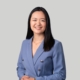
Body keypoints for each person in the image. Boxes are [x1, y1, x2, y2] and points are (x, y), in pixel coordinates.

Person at [16, 6, 66, 80]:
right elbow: (20, 67)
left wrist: (36, 79)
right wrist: (22, 77)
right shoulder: (25, 43)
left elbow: (60, 75)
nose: (38, 23)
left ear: (47, 23)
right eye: (34, 20)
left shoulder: (55, 45)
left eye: (42, 20)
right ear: (30, 22)